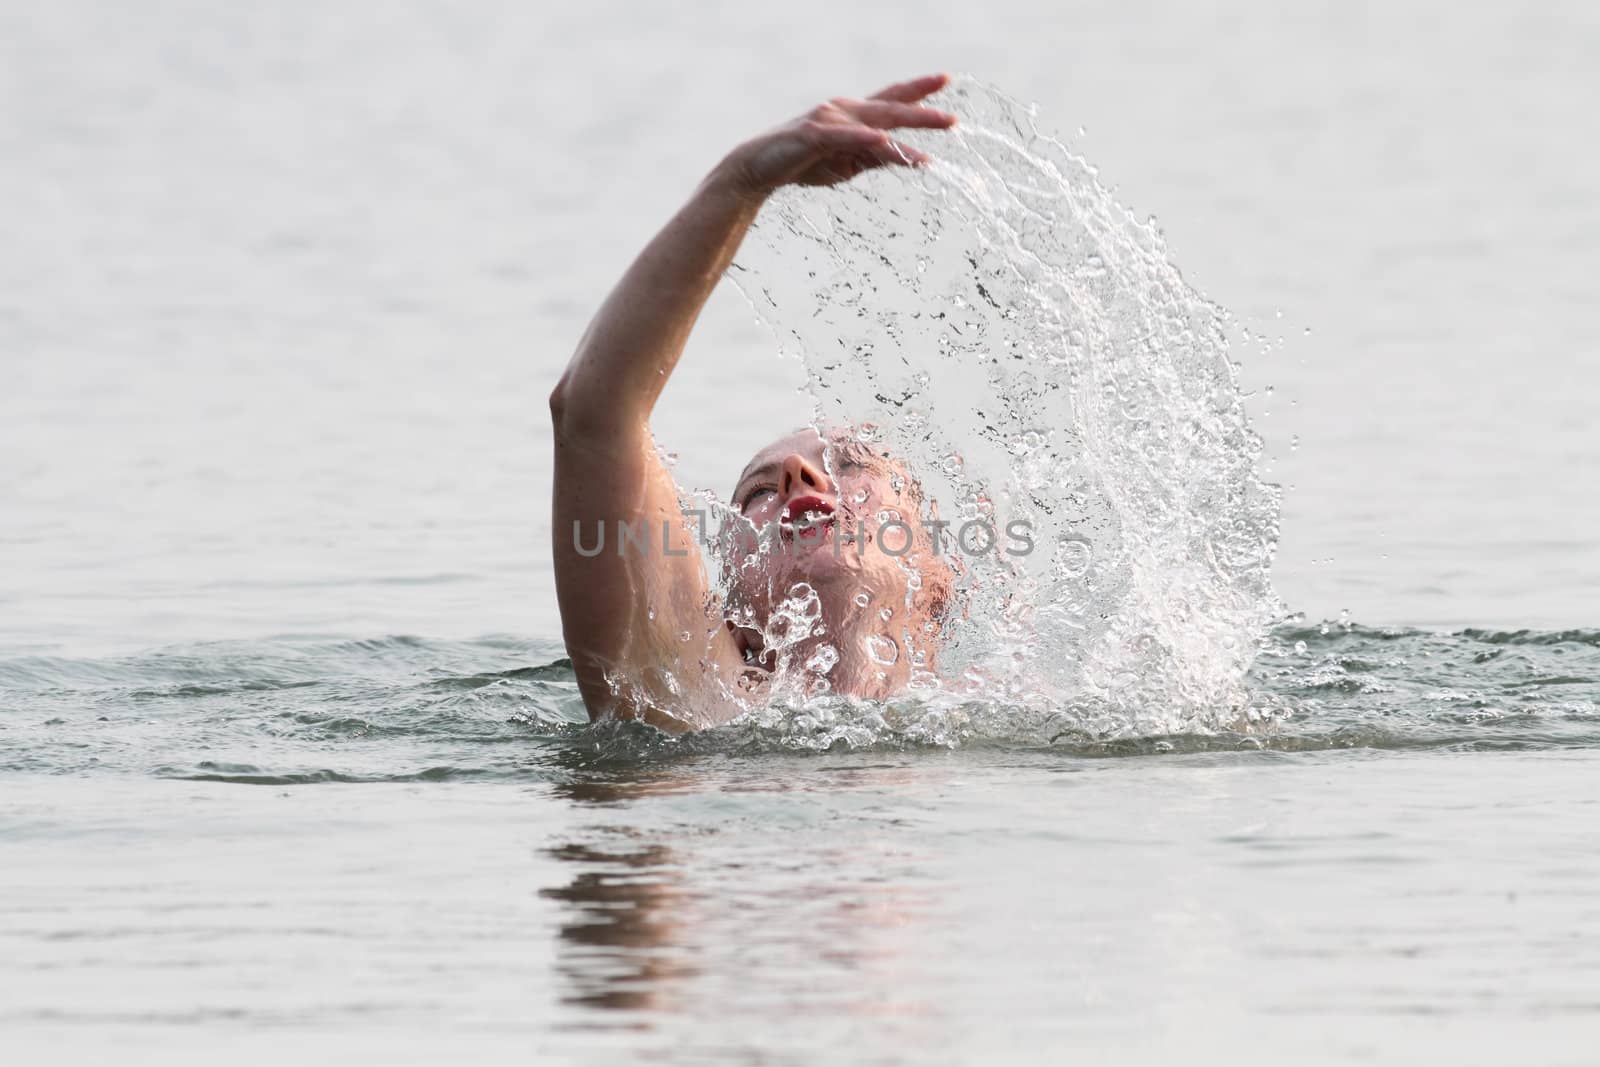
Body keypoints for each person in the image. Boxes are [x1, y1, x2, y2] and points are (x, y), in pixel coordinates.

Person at [550, 73, 960, 731]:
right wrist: (740, 183)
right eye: (755, 494)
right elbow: (595, 411)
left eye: (852, 464)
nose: (801, 477)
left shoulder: (1036, 720)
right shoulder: (698, 700)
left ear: (937, 580)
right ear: (733, 613)